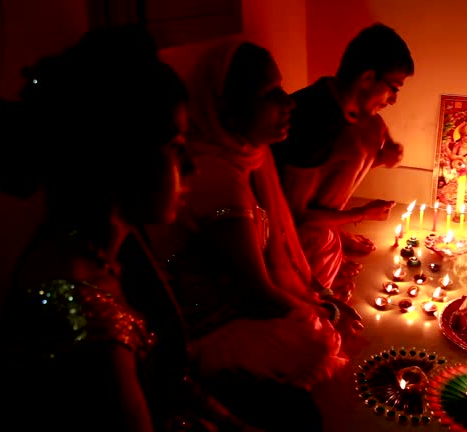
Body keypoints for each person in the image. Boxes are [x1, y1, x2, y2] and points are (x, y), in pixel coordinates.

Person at [0, 27, 259, 432]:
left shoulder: (107, 243)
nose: (191, 167)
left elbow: (168, 376)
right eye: (176, 147)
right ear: (115, 157)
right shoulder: (87, 323)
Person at [154, 40, 361, 432]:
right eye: (270, 95)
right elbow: (256, 292)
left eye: (282, 89)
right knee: (321, 341)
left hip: (236, 304)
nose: (290, 103)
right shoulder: (217, 175)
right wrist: (324, 313)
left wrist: (320, 296)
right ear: (227, 110)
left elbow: (281, 244)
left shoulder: (251, 154)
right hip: (206, 327)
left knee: (327, 280)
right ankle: (224, 382)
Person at [272, 23, 414, 300]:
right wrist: (361, 214)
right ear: (368, 77)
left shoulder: (355, 114)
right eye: (393, 88)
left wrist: (379, 159)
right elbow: (295, 216)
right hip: (292, 245)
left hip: (322, 234)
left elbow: (331, 171)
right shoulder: (314, 122)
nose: (394, 100)